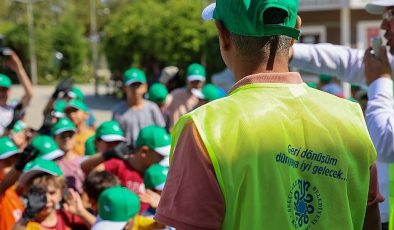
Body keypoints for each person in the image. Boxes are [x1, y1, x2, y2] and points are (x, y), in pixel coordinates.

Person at [156, 1, 381, 229]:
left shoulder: (203, 128)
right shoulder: (351, 117)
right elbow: (370, 220)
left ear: (223, 35)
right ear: (296, 31)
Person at [289, 0, 394, 227]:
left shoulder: (386, 73)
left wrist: (380, 81)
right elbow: (347, 61)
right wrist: (288, 50)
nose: (384, 27)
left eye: (391, 15)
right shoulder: (390, 64)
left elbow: (385, 141)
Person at [80, 125, 171, 212]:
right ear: (144, 151)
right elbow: (86, 169)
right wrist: (107, 154)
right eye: (161, 155)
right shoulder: (118, 165)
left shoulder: (162, 171)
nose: (164, 159)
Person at [13, 158, 89, 230]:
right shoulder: (25, 224)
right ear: (28, 194)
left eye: (52, 193)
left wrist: (82, 213)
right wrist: (26, 217)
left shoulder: (69, 218)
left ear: (61, 192)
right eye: (39, 193)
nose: (47, 199)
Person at [112, 68, 165, 144]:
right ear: (125, 88)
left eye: (138, 85)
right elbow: (115, 136)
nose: (135, 89)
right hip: (126, 153)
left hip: (148, 152)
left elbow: (160, 132)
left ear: (145, 87)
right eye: (132, 86)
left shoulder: (152, 108)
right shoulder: (118, 111)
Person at [0, 51, 33, 136]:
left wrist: (19, 68)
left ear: (9, 91)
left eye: (3, 90)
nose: (1, 93)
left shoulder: (15, 107)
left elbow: (29, 94)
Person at [165, 63, 206, 129]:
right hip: (177, 135)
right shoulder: (175, 94)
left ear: (203, 81)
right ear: (187, 80)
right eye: (192, 81)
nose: (195, 84)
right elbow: (164, 106)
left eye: (198, 81)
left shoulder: (206, 96)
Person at [52, 117, 85, 193]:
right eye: (63, 136)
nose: (67, 139)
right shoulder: (51, 162)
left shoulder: (83, 161)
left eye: (70, 135)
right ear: (54, 138)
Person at [0, 137, 24, 230]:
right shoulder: (4, 187)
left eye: (15, 162)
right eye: (7, 163)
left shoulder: (12, 191)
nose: (13, 168)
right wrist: (18, 167)